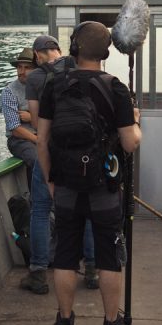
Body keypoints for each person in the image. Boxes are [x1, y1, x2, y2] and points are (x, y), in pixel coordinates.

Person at [37, 22, 142, 325]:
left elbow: (42, 141)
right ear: (105, 52)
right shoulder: (116, 87)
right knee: (109, 256)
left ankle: (65, 319)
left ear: (74, 47)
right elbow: (129, 143)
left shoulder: (54, 86)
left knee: (66, 256)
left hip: (66, 185)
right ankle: (111, 321)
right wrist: (135, 122)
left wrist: (50, 181)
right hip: (104, 188)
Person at [21, 35, 98, 295]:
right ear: (58, 50)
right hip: (82, 155)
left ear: (37, 54)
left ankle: (39, 274)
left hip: (50, 152)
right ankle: (92, 269)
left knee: (41, 209)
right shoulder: (79, 68)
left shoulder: (34, 78)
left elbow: (34, 121)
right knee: (87, 210)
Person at [0, 47, 37, 191]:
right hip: (19, 141)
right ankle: (37, 202)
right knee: (37, 159)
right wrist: (39, 140)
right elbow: (15, 129)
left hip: (41, 134)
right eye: (19, 67)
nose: (21, 71)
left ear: (36, 69)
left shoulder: (42, 88)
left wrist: (32, 117)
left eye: (27, 67)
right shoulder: (9, 92)